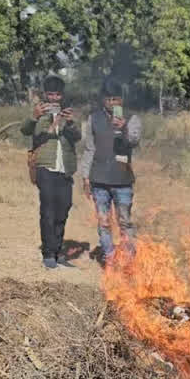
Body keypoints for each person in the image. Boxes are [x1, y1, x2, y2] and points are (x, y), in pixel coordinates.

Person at [79, 78, 142, 265]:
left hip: (122, 179)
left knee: (124, 222)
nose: (112, 103)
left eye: (116, 99)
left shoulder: (132, 118)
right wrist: (85, 176)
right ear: (102, 100)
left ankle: (128, 260)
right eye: (108, 99)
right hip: (99, 179)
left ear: (121, 100)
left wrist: (123, 128)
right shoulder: (93, 118)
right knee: (104, 222)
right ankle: (110, 257)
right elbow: (89, 148)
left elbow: (134, 141)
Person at [22, 75, 80, 269]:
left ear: (62, 95)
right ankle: (48, 253)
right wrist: (34, 116)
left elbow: (77, 137)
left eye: (58, 94)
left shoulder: (67, 114)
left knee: (63, 209)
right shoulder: (39, 113)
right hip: (45, 168)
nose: (54, 98)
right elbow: (24, 130)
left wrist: (70, 122)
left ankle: (58, 251)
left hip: (65, 169)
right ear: (45, 95)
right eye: (51, 94)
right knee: (48, 211)